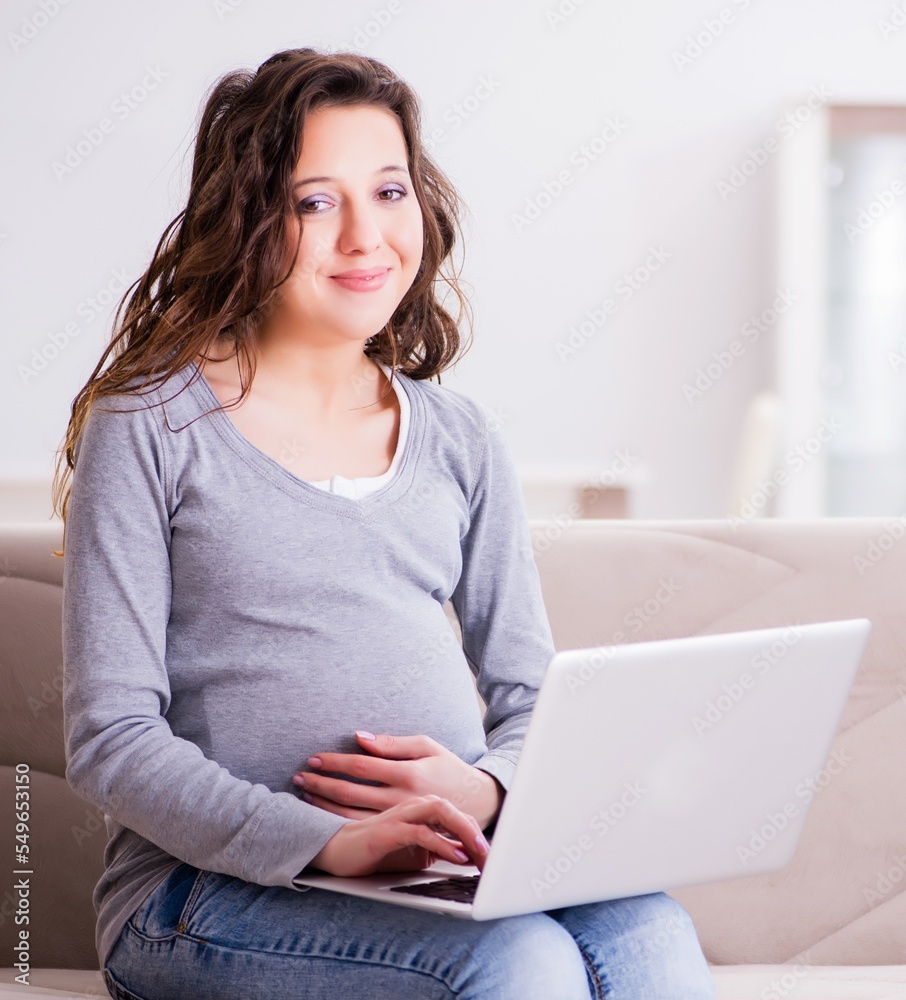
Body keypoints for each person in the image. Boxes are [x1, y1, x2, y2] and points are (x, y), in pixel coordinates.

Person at [54, 47, 716, 999]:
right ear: (247, 218)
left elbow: (530, 695)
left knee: (650, 930)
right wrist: (331, 841)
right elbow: (112, 738)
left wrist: (485, 790)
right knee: (519, 962)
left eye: (390, 190)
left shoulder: (459, 436)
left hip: (438, 868)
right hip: (204, 895)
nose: (366, 235)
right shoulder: (151, 424)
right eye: (316, 201)